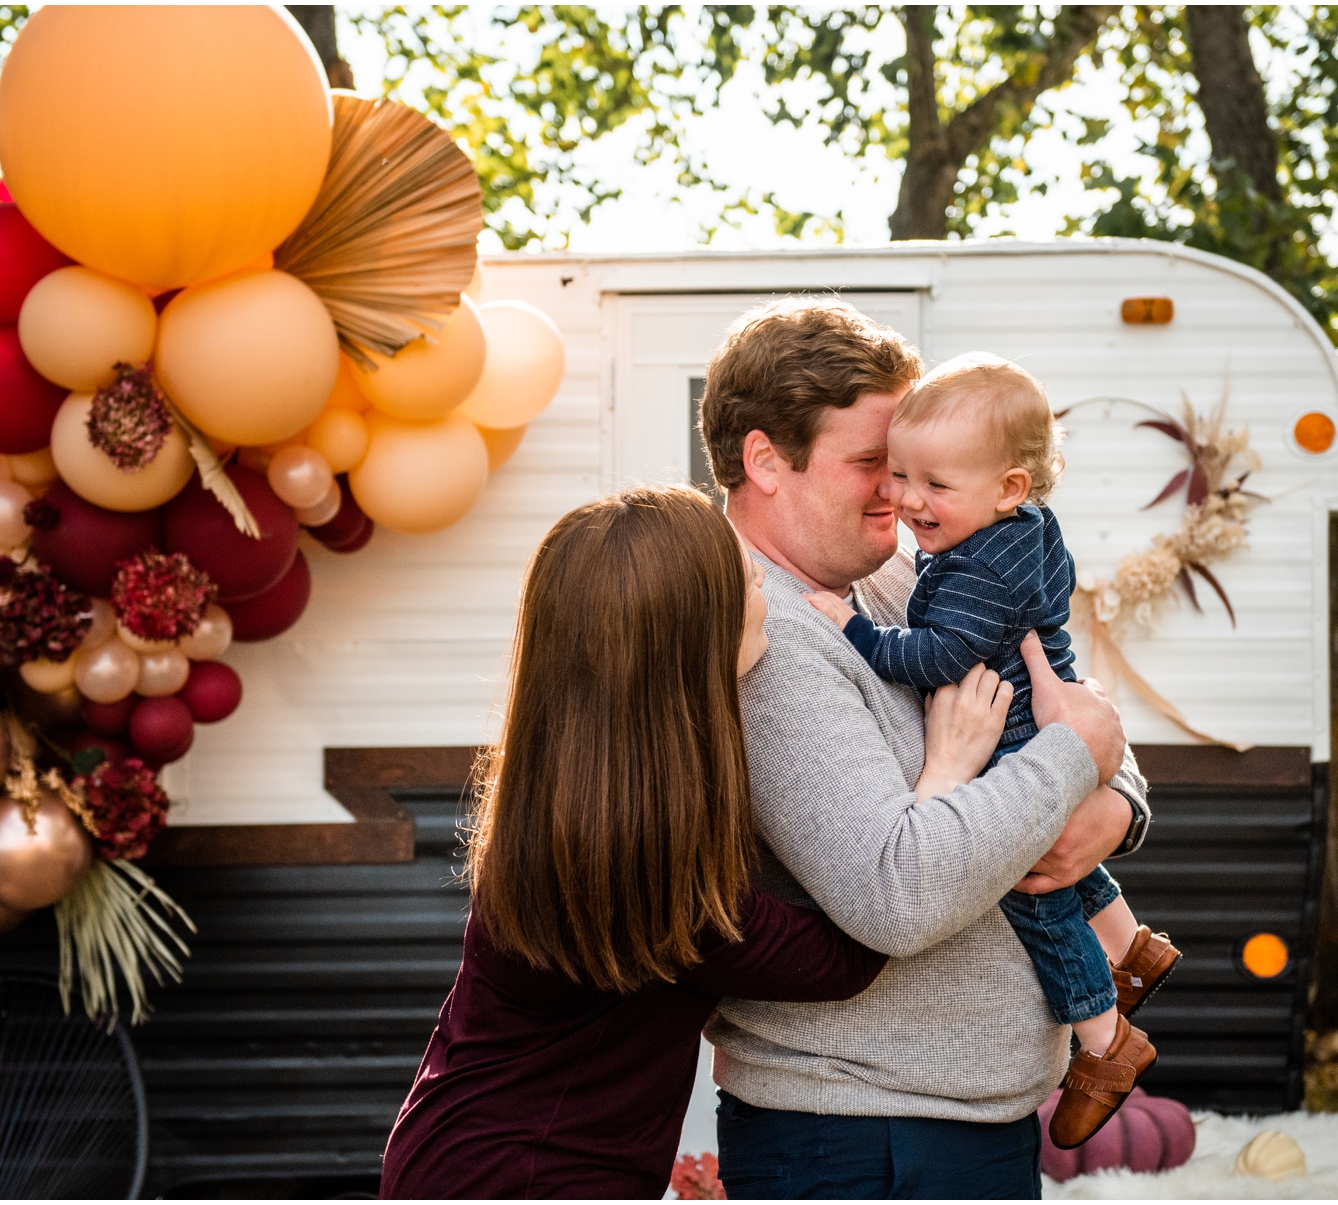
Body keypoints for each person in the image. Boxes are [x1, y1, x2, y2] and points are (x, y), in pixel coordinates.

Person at [378, 485, 1017, 1199]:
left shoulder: (584, 796)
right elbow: (851, 948)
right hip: (527, 1177)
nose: (758, 576)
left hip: (462, 1152)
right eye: (740, 574)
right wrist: (943, 774)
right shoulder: (633, 868)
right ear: (687, 630)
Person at [699, 299, 1165, 1198]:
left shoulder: (902, 569)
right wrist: (1069, 767)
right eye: (876, 462)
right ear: (765, 459)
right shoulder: (763, 634)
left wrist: (1108, 808)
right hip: (858, 1134)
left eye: (917, 467)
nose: (903, 493)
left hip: (963, 1114)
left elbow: (1081, 713)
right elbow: (897, 894)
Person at [804, 352, 1181, 1150]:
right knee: (1058, 853)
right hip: (1045, 716)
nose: (904, 498)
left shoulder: (965, 565)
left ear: (1009, 485)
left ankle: (1107, 1043)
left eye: (929, 483)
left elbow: (938, 656)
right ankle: (1130, 943)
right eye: (892, 471)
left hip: (1015, 736)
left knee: (1033, 893)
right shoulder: (1019, 529)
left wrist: (858, 630)